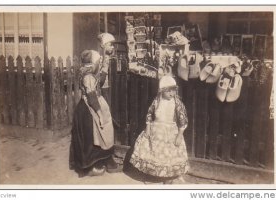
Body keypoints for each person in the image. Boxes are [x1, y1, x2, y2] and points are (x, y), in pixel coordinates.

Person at [129, 75, 189, 184]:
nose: (171, 93)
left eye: (173, 91)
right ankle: (155, 176)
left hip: (170, 133)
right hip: (156, 132)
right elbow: (149, 114)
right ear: (162, 91)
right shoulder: (157, 101)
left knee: (170, 155)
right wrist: (148, 128)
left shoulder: (177, 103)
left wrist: (180, 134)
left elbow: (183, 119)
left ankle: (170, 177)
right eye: (168, 91)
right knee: (154, 153)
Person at [69, 50, 119, 178]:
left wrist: (106, 62)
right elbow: (92, 97)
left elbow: (100, 81)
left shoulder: (89, 74)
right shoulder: (88, 77)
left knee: (99, 133)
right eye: (98, 62)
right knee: (92, 135)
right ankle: (90, 166)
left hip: (91, 104)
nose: (99, 64)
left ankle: (103, 160)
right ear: (92, 64)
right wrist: (99, 114)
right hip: (89, 108)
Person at [97, 33, 116, 104]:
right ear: (103, 45)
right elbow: (101, 80)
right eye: (110, 45)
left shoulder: (109, 58)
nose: (113, 47)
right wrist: (105, 67)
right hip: (103, 89)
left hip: (109, 87)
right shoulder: (101, 59)